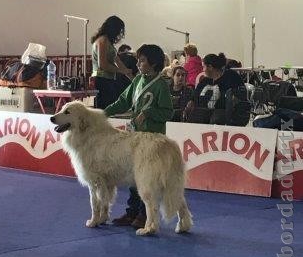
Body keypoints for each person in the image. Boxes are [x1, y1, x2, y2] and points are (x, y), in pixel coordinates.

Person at [104, 44, 174, 229]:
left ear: (153, 63)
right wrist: (103, 113)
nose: (138, 63)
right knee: (133, 177)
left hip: (152, 141)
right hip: (135, 138)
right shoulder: (137, 81)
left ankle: (146, 214)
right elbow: (123, 101)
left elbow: (168, 112)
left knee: (147, 179)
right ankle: (132, 212)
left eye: (142, 60)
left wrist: (149, 112)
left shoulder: (161, 85)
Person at [186, 52, 247, 125]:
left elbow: (240, 96)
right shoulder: (204, 81)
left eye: (204, 67)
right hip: (202, 118)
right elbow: (194, 98)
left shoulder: (231, 76)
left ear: (210, 67)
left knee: (217, 117)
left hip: (223, 118)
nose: (203, 70)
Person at [91, 16, 132, 109]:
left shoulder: (109, 43)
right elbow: (103, 65)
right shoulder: (102, 41)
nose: (119, 34)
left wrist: (131, 76)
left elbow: (117, 60)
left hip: (109, 79)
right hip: (101, 79)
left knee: (112, 106)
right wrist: (121, 71)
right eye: (119, 31)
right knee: (105, 109)